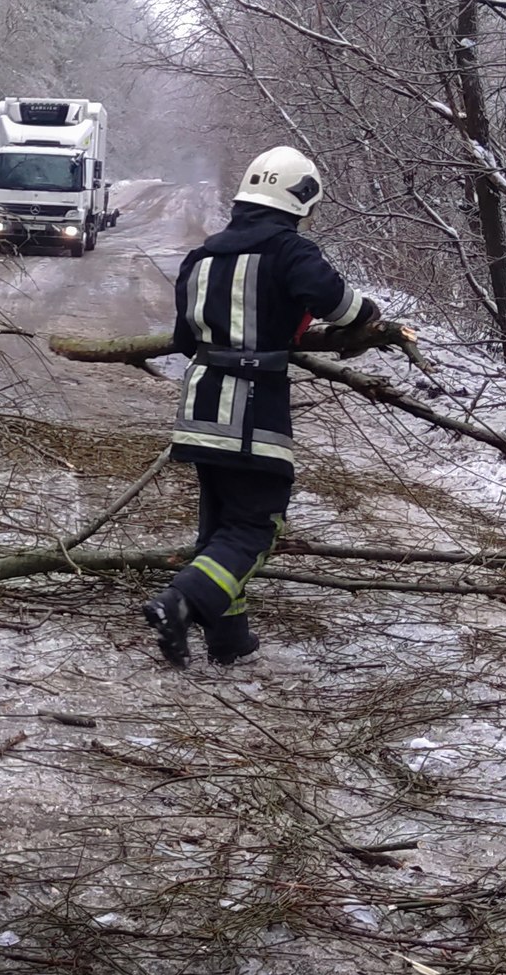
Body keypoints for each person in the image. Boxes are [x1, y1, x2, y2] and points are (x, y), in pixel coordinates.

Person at [141, 146, 380, 667]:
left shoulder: (200, 257)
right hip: (251, 410)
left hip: (200, 407)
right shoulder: (289, 251)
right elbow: (339, 304)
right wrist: (370, 316)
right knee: (256, 526)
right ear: (297, 199)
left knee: (221, 529)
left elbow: (186, 338)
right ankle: (179, 602)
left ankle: (229, 642)